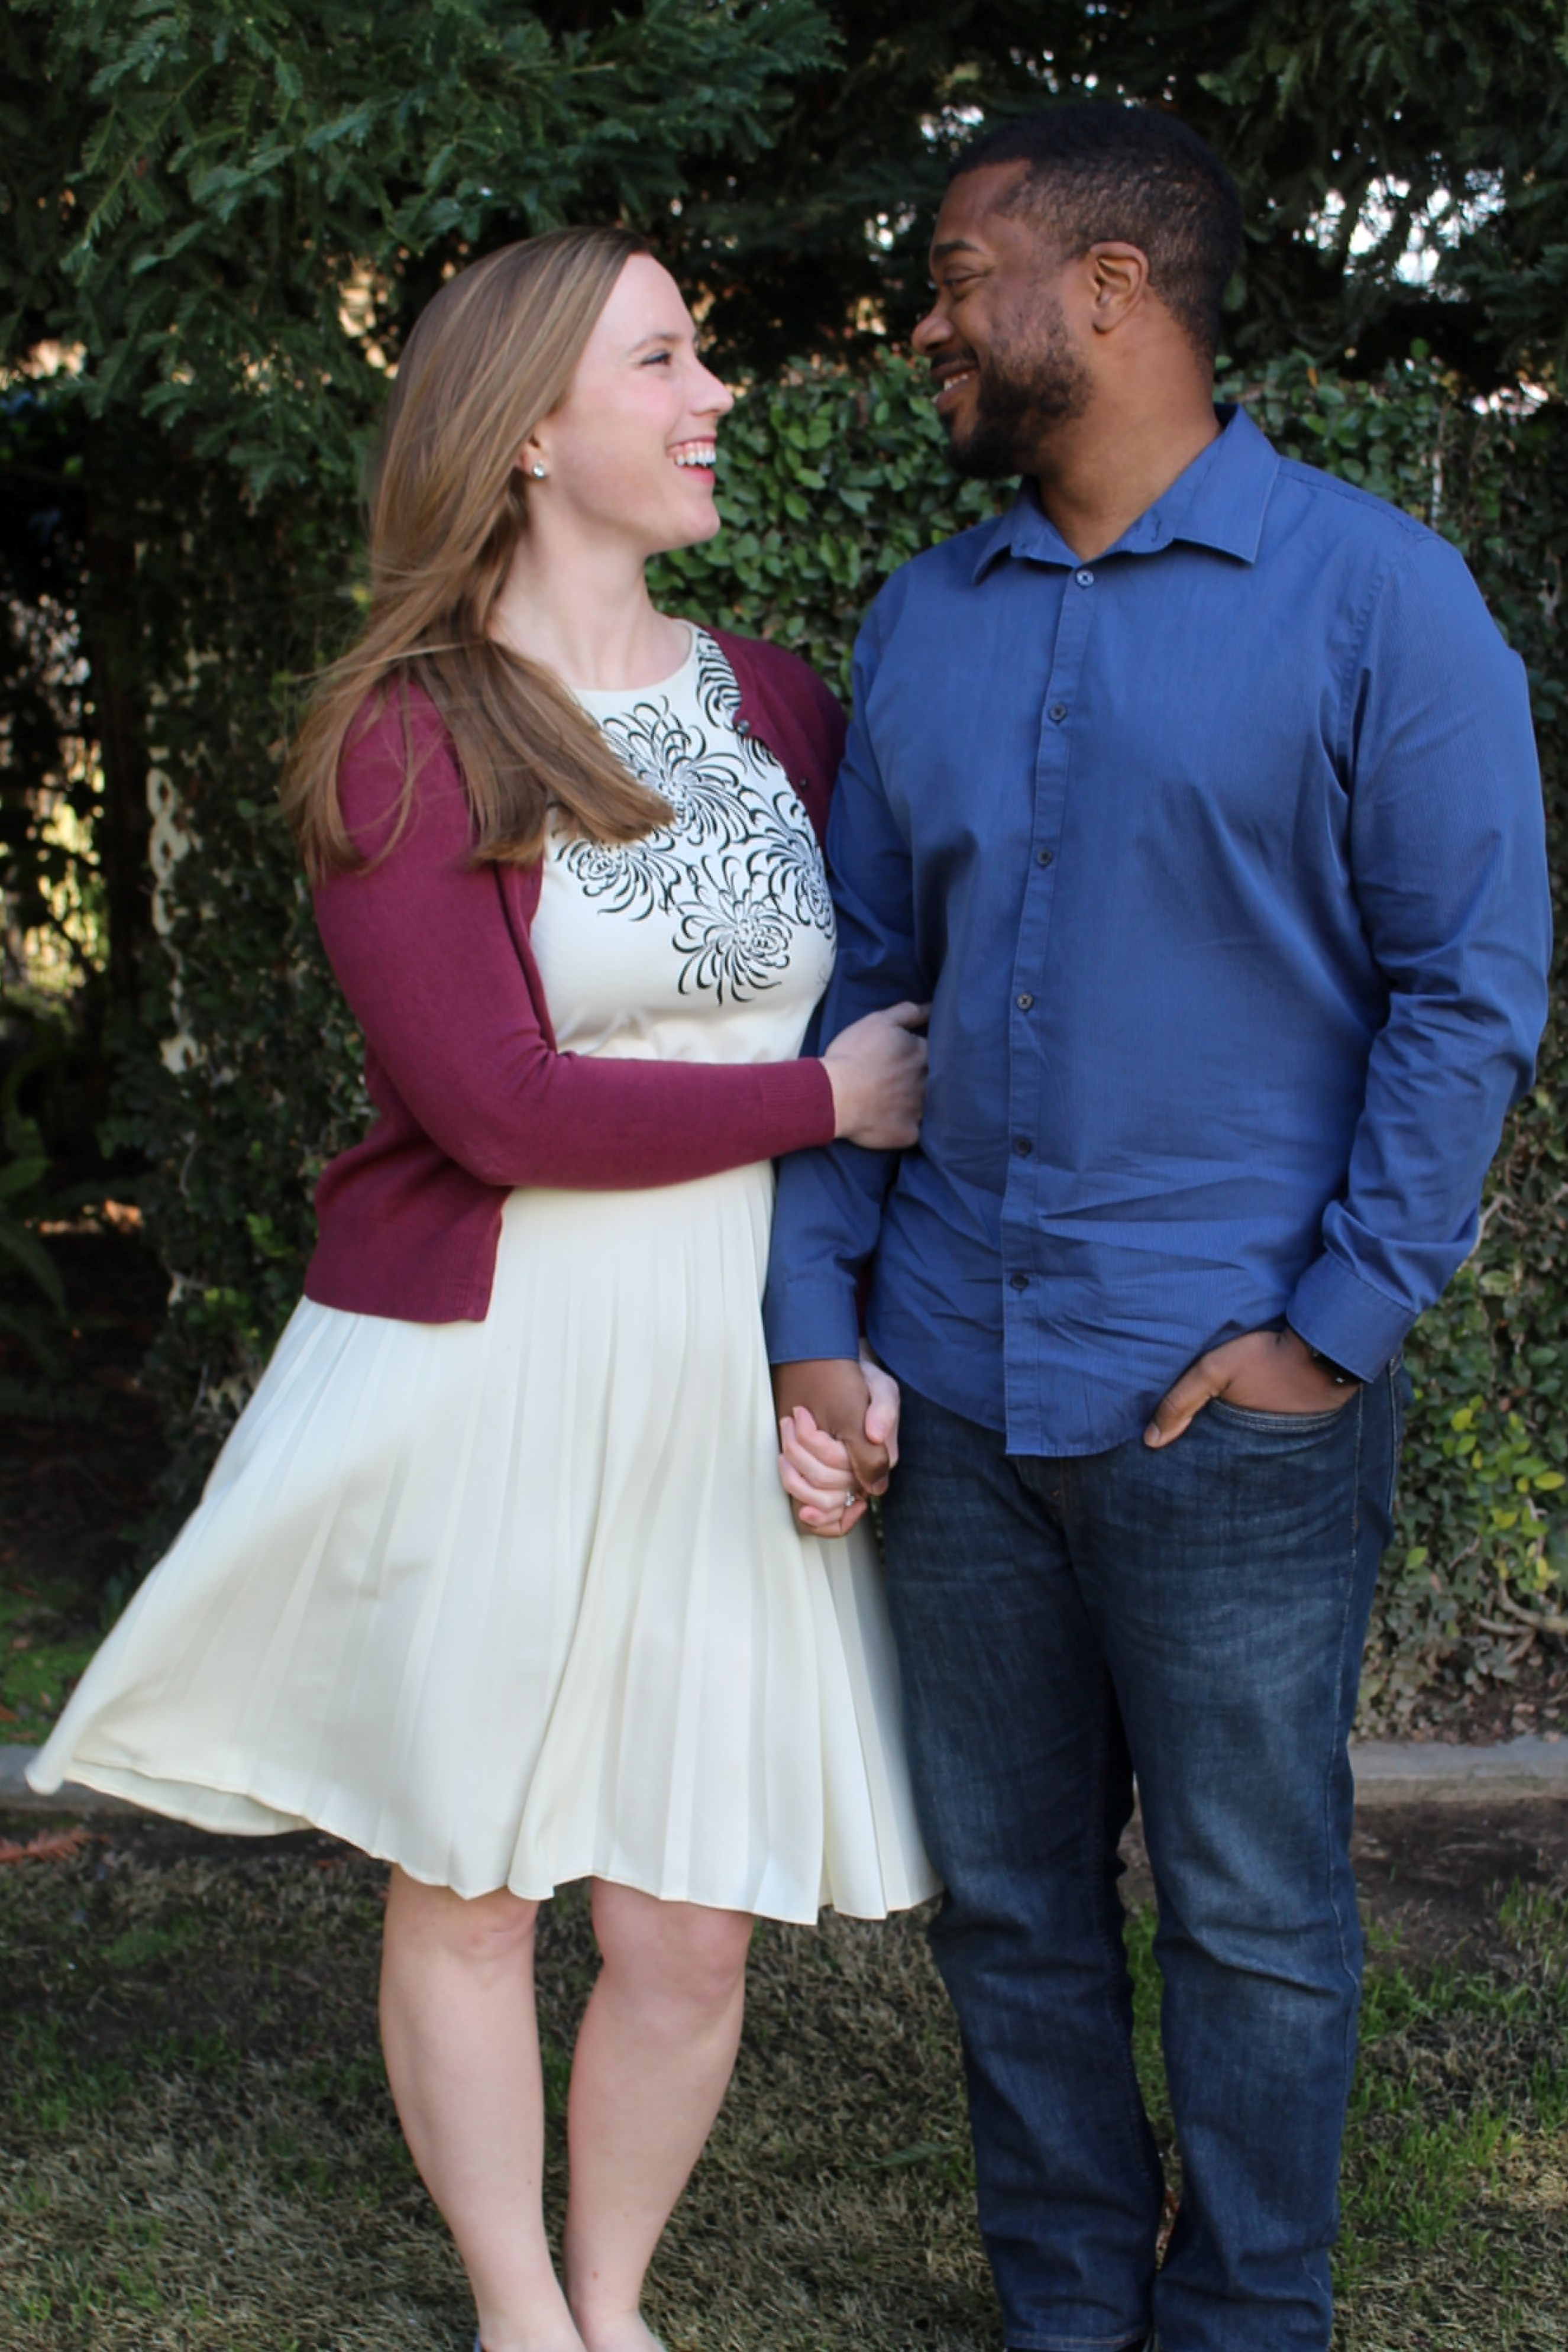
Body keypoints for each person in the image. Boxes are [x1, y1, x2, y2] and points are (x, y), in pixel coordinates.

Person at [30, 226, 937, 2352]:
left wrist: (841, 1344)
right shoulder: (406, 730)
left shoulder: (775, 702)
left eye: (702, 355)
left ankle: (617, 2298)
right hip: (494, 1349)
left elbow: (867, 1020)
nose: (713, 395)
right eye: (664, 360)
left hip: (727, 1348)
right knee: (474, 1875)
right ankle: (523, 2314)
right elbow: (494, 1106)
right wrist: (823, 1098)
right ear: (528, 429)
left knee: (688, 1915)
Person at [767, 104, 1551, 2352]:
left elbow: (1470, 987)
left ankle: (1245, 2321)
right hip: (950, 1385)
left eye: (957, 275)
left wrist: (1333, 1326)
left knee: (1249, 1914)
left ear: (1108, 290)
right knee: (1008, 1908)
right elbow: (862, 993)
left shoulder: (1375, 596)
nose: (925, 323)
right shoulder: (923, 620)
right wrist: (817, 1310)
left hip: (1230, 1406)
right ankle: (1063, 2313)